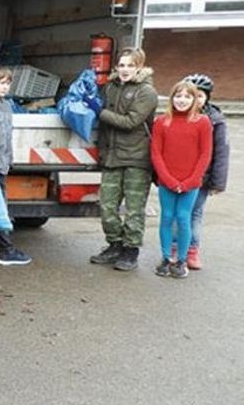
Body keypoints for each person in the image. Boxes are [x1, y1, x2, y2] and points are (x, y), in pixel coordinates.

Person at [89, 47, 158, 272]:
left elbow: (130, 122)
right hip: (112, 157)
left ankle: (131, 250)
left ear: (139, 67)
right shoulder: (111, 87)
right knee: (107, 206)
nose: (125, 69)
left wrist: (99, 112)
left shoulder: (146, 92)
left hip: (136, 159)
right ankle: (114, 244)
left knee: (134, 209)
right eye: (121, 65)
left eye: (130, 65)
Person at [150, 81, 213, 278]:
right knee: (167, 217)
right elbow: (156, 153)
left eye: (187, 96)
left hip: (190, 183)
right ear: (172, 98)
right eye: (178, 96)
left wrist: (191, 181)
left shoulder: (202, 122)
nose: (182, 100)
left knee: (184, 218)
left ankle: (181, 260)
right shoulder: (162, 121)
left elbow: (205, 154)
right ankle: (166, 257)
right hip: (167, 181)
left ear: (194, 100)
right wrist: (167, 179)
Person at [0, 65, 32, 266]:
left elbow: (7, 135)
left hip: (1, 165)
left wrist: (9, 159)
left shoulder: (6, 105)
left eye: (7, 83)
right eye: (1, 82)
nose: (5, 87)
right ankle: (4, 249)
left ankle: (3, 249)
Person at [182, 73, 230, 270]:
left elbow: (222, 152)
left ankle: (192, 251)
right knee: (178, 214)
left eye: (200, 96)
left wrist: (218, 182)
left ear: (207, 98)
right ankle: (176, 248)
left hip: (202, 177)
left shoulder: (215, 120)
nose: (196, 100)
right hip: (179, 175)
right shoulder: (177, 116)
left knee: (194, 214)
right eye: (191, 95)